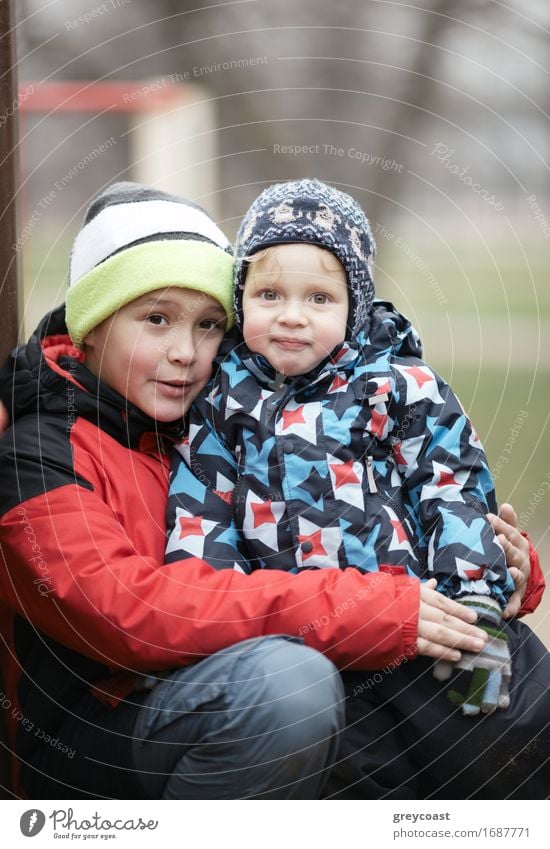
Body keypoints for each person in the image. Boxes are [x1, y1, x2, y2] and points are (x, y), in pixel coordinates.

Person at [0, 181, 493, 800]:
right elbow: (129, 612)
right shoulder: (33, 456)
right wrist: (364, 609)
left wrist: (494, 569)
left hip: (224, 683)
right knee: (288, 685)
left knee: (483, 702)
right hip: (99, 737)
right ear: (93, 325)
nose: (184, 352)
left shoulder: (215, 412)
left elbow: (356, 508)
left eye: (208, 326)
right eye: (156, 319)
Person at [165, 179, 550, 796]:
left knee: (492, 745)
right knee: (352, 775)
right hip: (302, 636)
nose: (291, 314)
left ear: (355, 306)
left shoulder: (397, 386)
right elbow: (201, 508)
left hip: (414, 619)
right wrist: (215, 630)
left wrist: (474, 593)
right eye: (269, 294)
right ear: (242, 299)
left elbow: (450, 486)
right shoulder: (220, 401)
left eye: (319, 297)